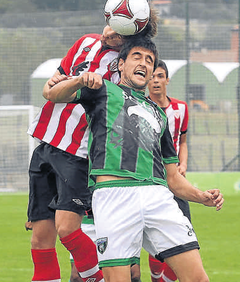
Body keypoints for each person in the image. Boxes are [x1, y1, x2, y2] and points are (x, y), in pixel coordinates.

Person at [44, 36, 224, 282]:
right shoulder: (103, 90)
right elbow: (53, 95)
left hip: (158, 197)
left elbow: (172, 178)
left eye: (149, 60)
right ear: (121, 64)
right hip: (113, 195)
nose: (144, 63)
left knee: (198, 278)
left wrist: (200, 196)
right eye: (137, 57)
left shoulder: (160, 115)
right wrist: (78, 80)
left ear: (152, 72)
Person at [27, 0, 158, 281]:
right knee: (40, 239)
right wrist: (56, 81)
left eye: (120, 33)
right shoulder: (84, 42)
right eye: (111, 24)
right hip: (45, 142)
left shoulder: (122, 67)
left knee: (68, 230)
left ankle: (98, 277)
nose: (110, 33)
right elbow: (54, 82)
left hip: (78, 153)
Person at [147, 60, 190, 282]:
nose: (155, 80)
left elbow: (182, 141)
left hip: (175, 180)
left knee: (183, 236)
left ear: (167, 80)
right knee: (154, 239)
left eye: (160, 76)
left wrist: (182, 164)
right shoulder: (140, 106)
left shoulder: (180, 108)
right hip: (150, 181)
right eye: (152, 76)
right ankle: (155, 276)